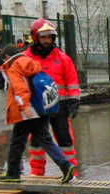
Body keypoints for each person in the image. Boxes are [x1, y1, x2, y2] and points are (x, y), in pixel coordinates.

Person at [0, 44, 76, 183]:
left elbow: (20, 89)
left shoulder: (14, 67)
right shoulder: (31, 63)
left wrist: (24, 106)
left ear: (7, 57)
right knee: (44, 140)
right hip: (41, 108)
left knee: (17, 142)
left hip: (27, 112)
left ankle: (12, 174)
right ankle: (66, 165)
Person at [23, 18, 81, 177]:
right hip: (36, 107)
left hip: (59, 106)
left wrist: (74, 100)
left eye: (50, 37)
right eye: (43, 37)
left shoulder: (62, 58)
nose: (47, 40)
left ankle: (71, 172)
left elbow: (71, 81)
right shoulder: (25, 57)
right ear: (35, 37)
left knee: (65, 141)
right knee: (36, 142)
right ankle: (36, 172)